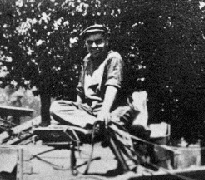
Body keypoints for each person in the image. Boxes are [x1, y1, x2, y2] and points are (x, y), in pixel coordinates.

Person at [50, 23, 139, 168]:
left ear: (107, 41)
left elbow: (112, 86)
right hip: (91, 113)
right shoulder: (87, 61)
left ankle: (129, 165)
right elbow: (80, 90)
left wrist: (104, 112)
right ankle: (93, 125)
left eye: (98, 41)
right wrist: (78, 112)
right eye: (90, 42)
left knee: (113, 122)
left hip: (114, 108)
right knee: (55, 107)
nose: (94, 45)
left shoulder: (113, 58)